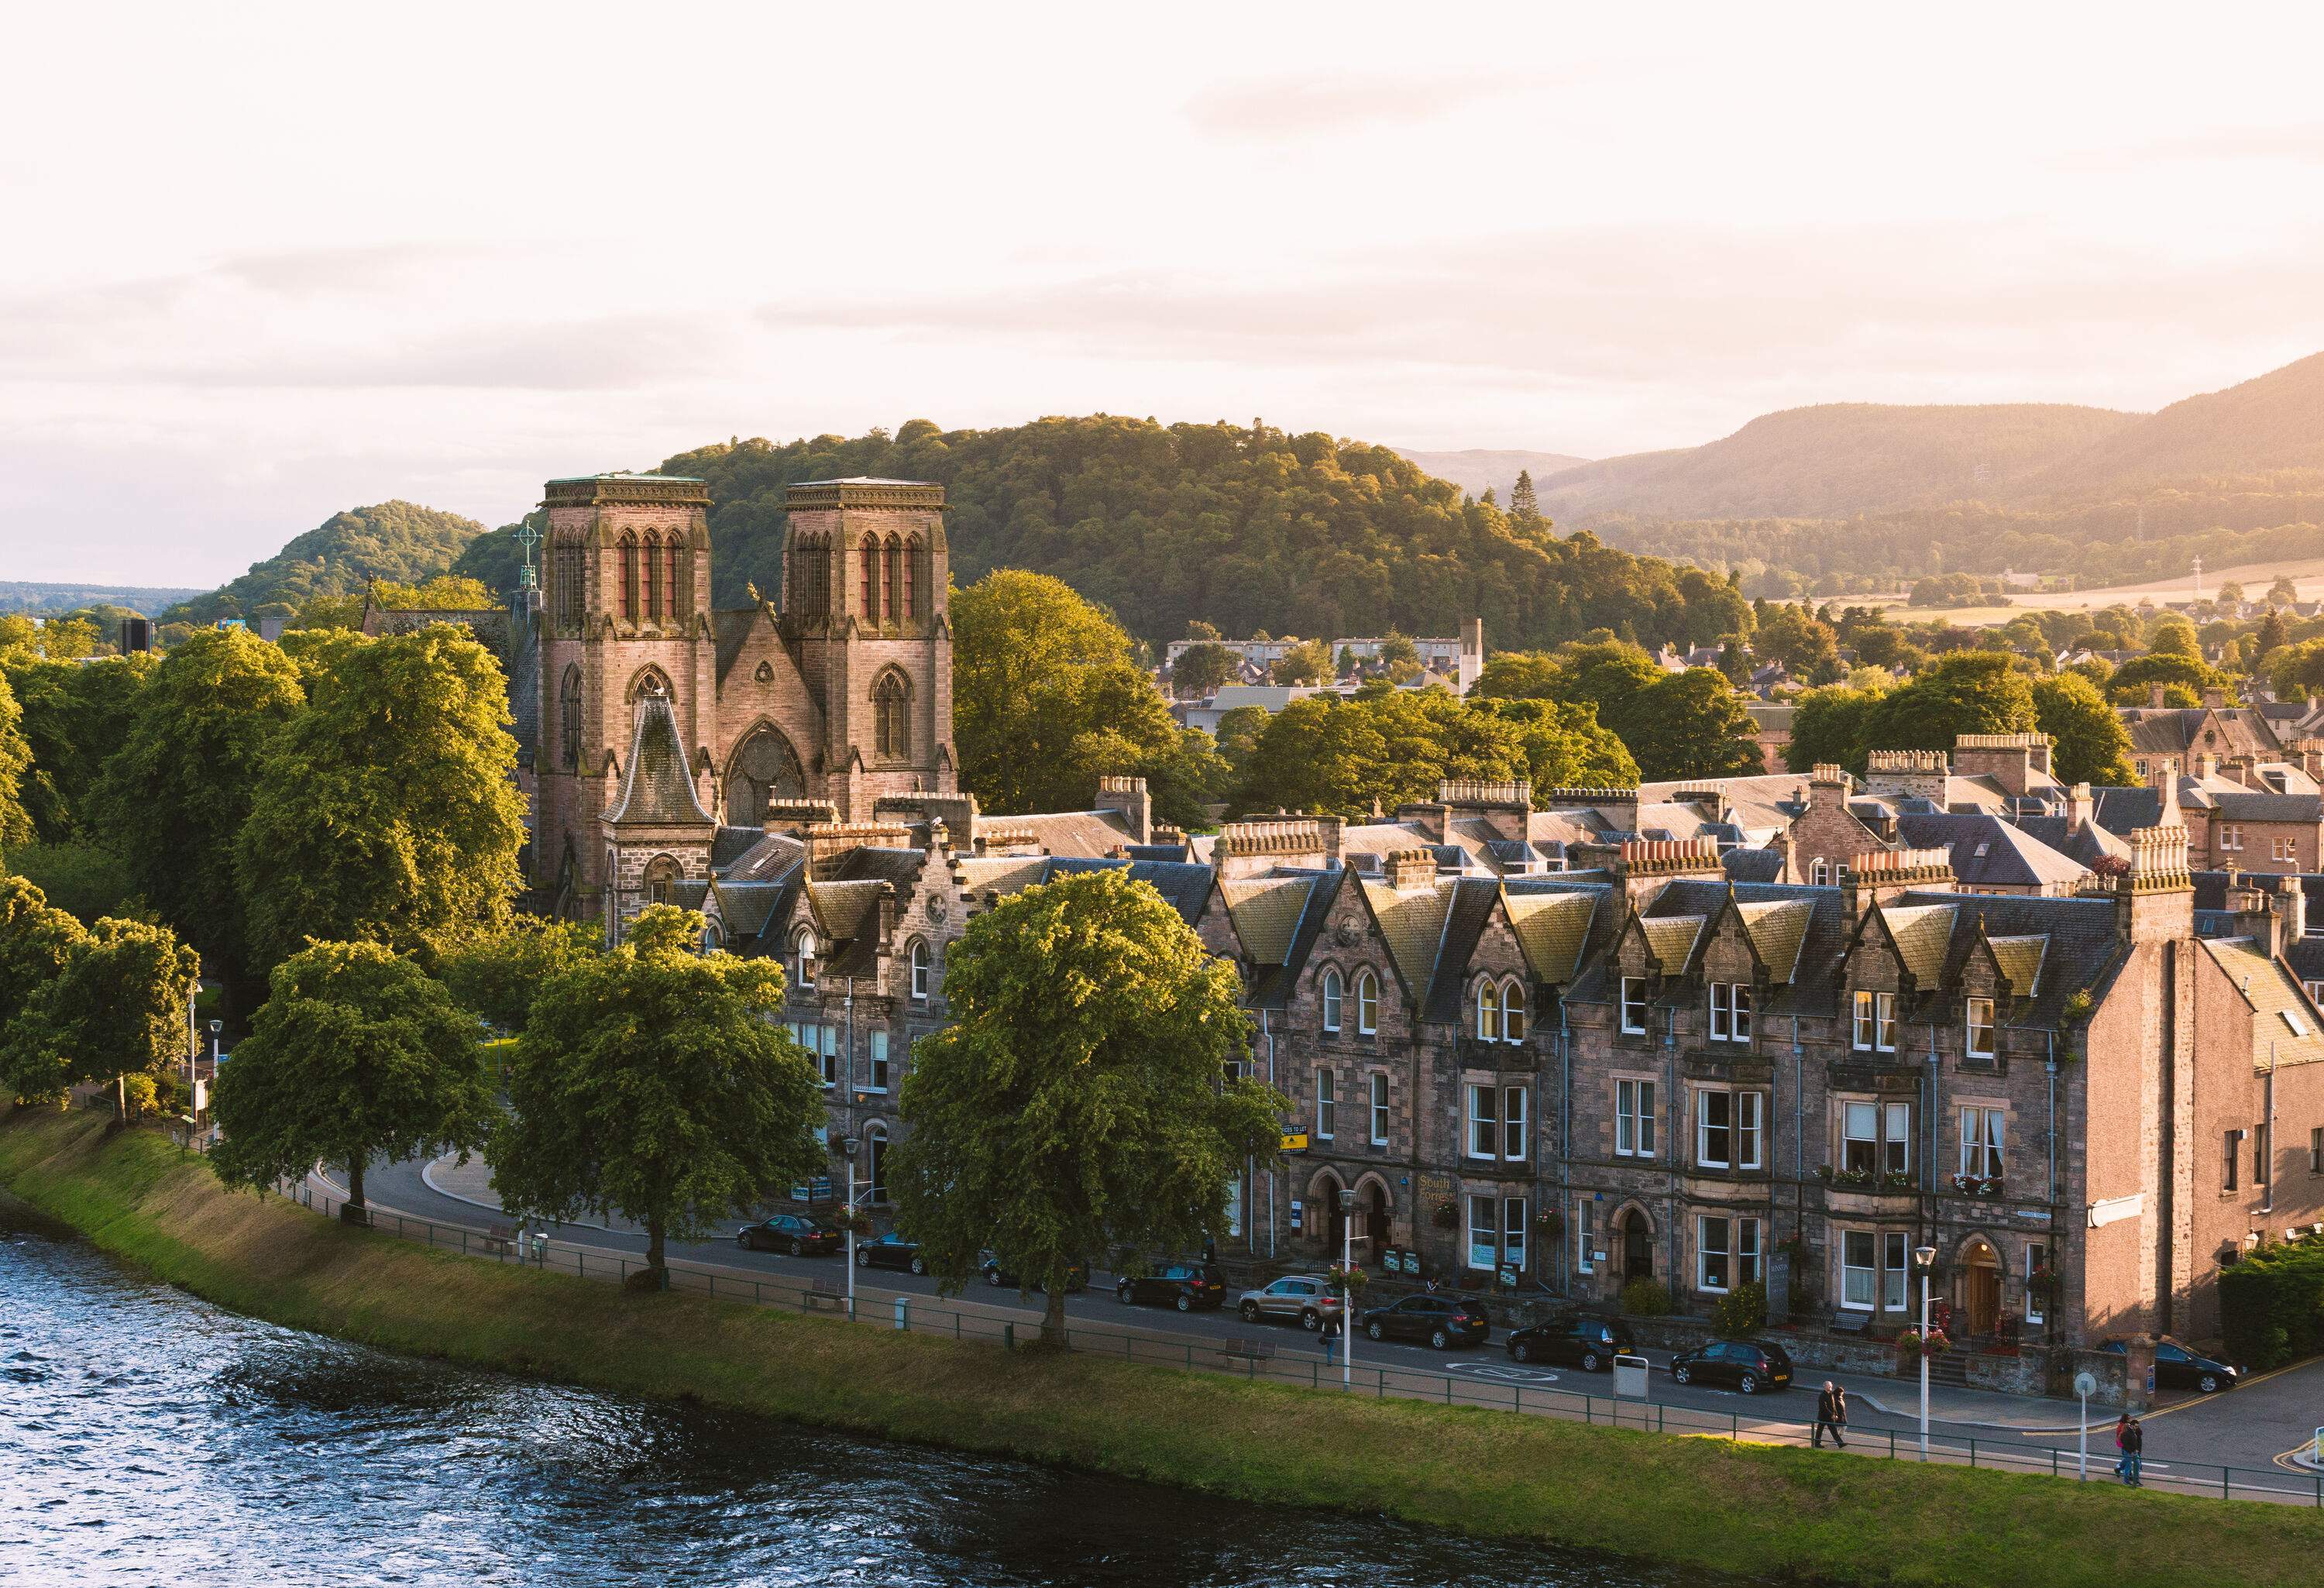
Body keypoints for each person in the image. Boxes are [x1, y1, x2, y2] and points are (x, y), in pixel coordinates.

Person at [1813, 1380, 1848, 1449]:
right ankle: (1817, 1444)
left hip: (1830, 1417)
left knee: (1834, 1431)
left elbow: (1833, 1406)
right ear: (1825, 1386)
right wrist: (1832, 1415)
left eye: (1831, 1385)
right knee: (1819, 1430)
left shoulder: (1831, 1394)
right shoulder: (1822, 1396)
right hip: (1823, 1417)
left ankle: (1840, 1444)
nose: (1831, 1386)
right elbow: (1824, 1407)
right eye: (1829, 1385)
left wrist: (1836, 1414)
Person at [2122, 1414, 2144, 1486]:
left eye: (2138, 1426)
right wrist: (2131, 1451)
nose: (2137, 1428)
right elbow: (2125, 1444)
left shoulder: (2136, 1431)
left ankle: (2136, 1481)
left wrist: (2137, 1450)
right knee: (2128, 1466)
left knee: (2137, 1465)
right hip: (2128, 1452)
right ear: (2132, 1425)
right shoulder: (2126, 1433)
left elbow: (2138, 1441)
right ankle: (2126, 1481)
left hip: (2134, 1452)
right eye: (2136, 1426)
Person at [2112, 1413, 2131, 1481]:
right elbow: (2121, 1436)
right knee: (2128, 1459)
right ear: (2125, 1419)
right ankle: (2128, 1476)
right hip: (2125, 1445)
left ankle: (2119, 1469)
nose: (2130, 1419)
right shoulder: (2122, 1426)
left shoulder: (2127, 1425)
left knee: (2127, 1459)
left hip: (2127, 1445)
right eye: (2129, 1418)